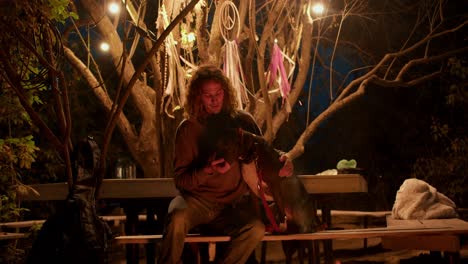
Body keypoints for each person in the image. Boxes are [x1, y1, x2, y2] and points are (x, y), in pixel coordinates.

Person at [158, 65, 293, 264]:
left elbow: (262, 149)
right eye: (207, 95)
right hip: (196, 202)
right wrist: (208, 170)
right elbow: (181, 181)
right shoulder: (188, 129)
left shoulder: (242, 120)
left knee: (255, 229)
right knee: (176, 218)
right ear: (197, 97)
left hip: (231, 206)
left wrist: (285, 158)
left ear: (226, 93)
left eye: (219, 93)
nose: (214, 100)